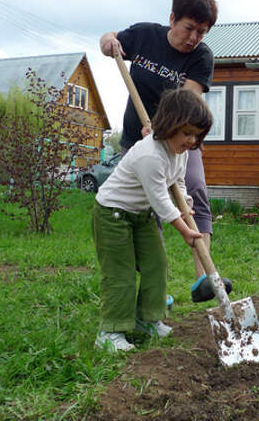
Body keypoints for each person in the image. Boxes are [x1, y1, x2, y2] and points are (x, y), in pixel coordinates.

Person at [99, 0, 228, 301]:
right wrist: (108, 41)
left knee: (194, 189)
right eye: (189, 28)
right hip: (137, 140)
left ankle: (205, 277)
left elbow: (187, 102)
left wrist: (162, 129)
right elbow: (109, 41)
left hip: (180, 136)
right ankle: (156, 289)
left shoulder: (202, 57)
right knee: (147, 206)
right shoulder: (144, 35)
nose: (194, 37)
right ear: (172, 19)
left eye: (202, 31)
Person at [92, 88, 212, 352]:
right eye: (187, 133)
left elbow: (177, 183)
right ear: (170, 124)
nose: (192, 140)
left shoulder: (180, 152)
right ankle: (109, 332)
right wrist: (184, 230)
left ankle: (146, 319)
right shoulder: (150, 155)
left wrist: (187, 207)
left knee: (156, 264)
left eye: (197, 135)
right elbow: (160, 201)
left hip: (142, 213)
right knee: (120, 273)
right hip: (113, 213)